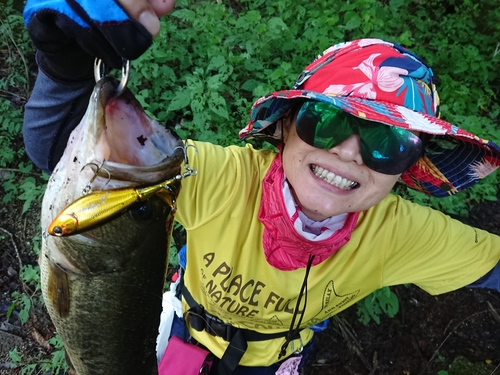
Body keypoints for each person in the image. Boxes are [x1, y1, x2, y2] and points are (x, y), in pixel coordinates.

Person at [23, 0, 500, 374]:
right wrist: (64, 64)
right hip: (183, 338)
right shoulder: (221, 179)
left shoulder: (401, 235)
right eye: (326, 121)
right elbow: (78, 161)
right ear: (286, 127)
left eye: (388, 143)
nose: (350, 153)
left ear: (407, 168)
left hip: (275, 362)